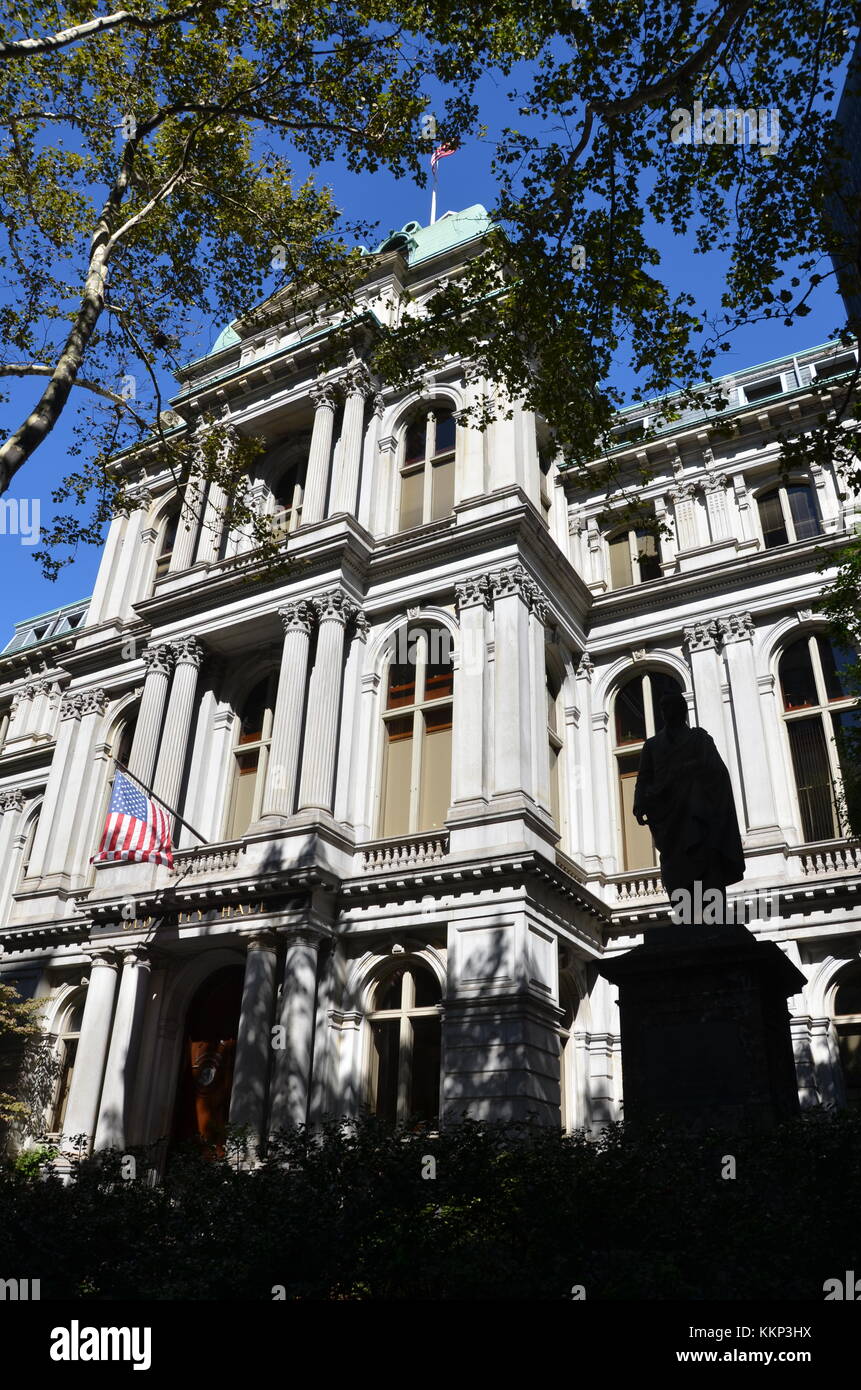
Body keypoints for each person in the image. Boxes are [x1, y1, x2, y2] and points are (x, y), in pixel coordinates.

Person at [633, 690, 745, 921]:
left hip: (699, 817)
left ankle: (712, 915)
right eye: (663, 709)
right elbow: (643, 778)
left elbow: (718, 773)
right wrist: (638, 803)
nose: (666, 713)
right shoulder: (652, 746)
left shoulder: (700, 740)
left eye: (671, 707)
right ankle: (686, 915)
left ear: (682, 710)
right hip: (669, 821)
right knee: (676, 869)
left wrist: (687, 770)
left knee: (705, 866)